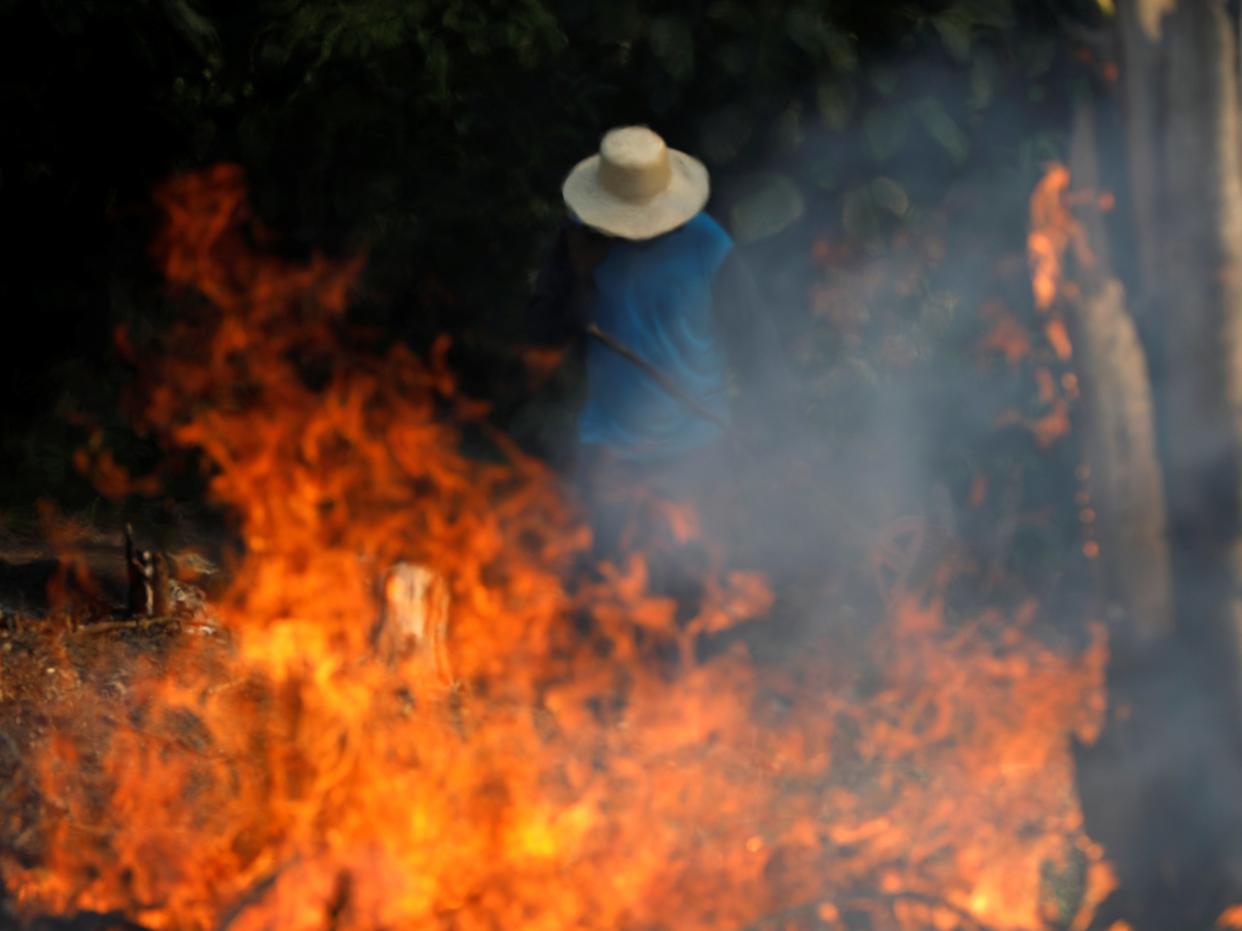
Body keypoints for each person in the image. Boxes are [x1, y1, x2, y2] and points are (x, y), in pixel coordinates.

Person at [527, 125, 787, 558]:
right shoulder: (580, 242)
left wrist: (775, 426)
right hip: (610, 451)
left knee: (689, 587)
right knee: (606, 584)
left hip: (697, 449)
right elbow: (545, 330)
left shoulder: (709, 246)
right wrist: (580, 278)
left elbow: (755, 342)